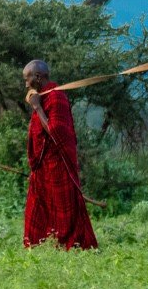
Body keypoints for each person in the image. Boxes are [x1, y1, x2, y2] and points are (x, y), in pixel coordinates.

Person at [22, 59, 97, 250]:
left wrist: (38, 107)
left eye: (27, 79)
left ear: (38, 77)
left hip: (58, 165)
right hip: (42, 166)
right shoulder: (43, 96)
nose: (25, 84)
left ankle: (73, 245)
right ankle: (39, 246)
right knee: (37, 207)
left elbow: (56, 132)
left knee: (65, 209)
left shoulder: (57, 98)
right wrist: (37, 104)